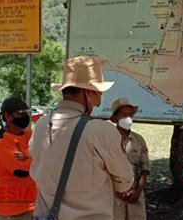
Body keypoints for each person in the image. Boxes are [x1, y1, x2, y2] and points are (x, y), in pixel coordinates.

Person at [30, 56, 134, 220]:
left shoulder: (41, 126)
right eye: (99, 92)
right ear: (88, 92)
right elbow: (125, 179)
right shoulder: (100, 130)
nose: (99, 100)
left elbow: (36, 170)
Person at [0, 97, 37, 219]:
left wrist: (29, 157)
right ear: (8, 116)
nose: (24, 116)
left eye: (25, 113)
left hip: (33, 204)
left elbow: (46, 153)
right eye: (20, 113)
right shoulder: (1, 142)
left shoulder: (29, 134)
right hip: (13, 209)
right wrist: (35, 158)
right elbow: (21, 171)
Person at [109, 98, 150, 220]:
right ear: (116, 117)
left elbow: (145, 168)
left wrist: (137, 192)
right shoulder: (108, 138)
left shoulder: (138, 140)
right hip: (113, 195)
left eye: (130, 114)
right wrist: (119, 191)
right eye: (124, 114)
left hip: (135, 194)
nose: (128, 118)